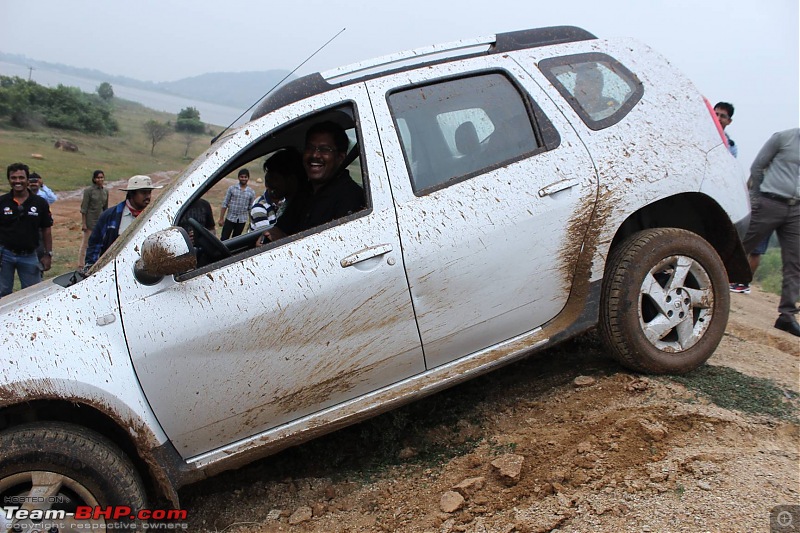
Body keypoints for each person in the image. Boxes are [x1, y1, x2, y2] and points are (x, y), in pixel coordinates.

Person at [739, 128, 800, 336]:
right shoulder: (783, 138)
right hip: (770, 202)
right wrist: (757, 199)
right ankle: (707, 287)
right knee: (741, 246)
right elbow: (757, 167)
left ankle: (787, 316)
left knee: (795, 261)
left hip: (797, 210)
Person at [263, 121, 364, 242]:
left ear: (341, 157)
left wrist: (284, 241)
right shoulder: (305, 192)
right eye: (310, 148)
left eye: (324, 149)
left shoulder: (351, 198)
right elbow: (280, 229)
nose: (315, 155)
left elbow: (336, 250)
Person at [84, 175, 162, 269]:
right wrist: (92, 267)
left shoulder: (155, 216)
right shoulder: (110, 216)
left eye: (149, 192)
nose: (148, 196)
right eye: (143, 193)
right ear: (132, 194)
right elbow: (95, 243)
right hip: (114, 271)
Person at [0, 163, 53, 297]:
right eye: (13, 178)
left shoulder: (40, 203)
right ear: (9, 180)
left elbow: (46, 229)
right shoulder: (2, 202)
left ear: (27, 180)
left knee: (32, 295)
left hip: (30, 255)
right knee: (3, 293)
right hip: (5, 255)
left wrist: (48, 254)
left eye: (21, 177)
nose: (17, 181)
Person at [250, 149, 303, 239]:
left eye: (274, 178)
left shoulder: (299, 209)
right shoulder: (288, 205)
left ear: (291, 180)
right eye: (267, 180)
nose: (268, 185)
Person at [78, 170, 109, 269]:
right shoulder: (89, 191)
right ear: (94, 179)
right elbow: (84, 208)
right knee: (86, 243)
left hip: (100, 221)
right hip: (90, 221)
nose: (100, 179)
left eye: (102, 177)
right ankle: (81, 264)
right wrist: (84, 224)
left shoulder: (105, 191)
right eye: (98, 178)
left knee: (100, 242)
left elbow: (106, 208)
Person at [218, 168, 255, 240]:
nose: (243, 179)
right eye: (241, 177)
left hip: (242, 220)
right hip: (230, 218)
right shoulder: (232, 188)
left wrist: (251, 222)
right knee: (224, 238)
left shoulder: (251, 192)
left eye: (245, 177)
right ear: (238, 177)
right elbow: (225, 203)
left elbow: (250, 208)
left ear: (248, 178)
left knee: (236, 240)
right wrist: (221, 219)